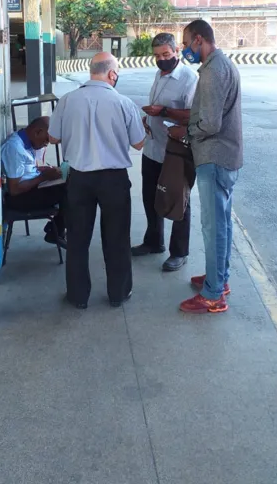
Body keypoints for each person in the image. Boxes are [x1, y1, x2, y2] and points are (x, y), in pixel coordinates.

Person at [48, 52, 145, 309]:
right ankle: (119, 293)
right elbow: (138, 142)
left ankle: (78, 296)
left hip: (79, 178)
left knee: (78, 238)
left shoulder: (67, 101)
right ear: (112, 74)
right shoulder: (124, 103)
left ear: (91, 70)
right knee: (117, 237)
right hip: (114, 180)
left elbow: (53, 138)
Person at [168, 20, 243, 314]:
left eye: (186, 44)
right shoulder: (222, 65)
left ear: (199, 40)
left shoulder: (213, 71)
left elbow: (210, 124)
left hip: (214, 157)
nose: (185, 49)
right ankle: (218, 280)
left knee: (213, 228)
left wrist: (183, 134)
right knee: (221, 224)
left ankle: (213, 295)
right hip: (225, 156)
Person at [131, 32, 198, 271]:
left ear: (177, 52)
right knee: (150, 197)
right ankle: (153, 241)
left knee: (179, 201)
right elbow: (155, 109)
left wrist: (162, 112)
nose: (161, 59)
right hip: (152, 148)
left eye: (166, 54)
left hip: (176, 153)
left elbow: (194, 115)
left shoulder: (189, 79)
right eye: (157, 56)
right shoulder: (159, 75)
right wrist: (147, 118)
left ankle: (179, 252)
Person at [1, 117, 66, 247]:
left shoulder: (27, 143)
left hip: (33, 187)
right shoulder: (14, 148)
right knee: (71, 190)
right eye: (46, 140)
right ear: (37, 132)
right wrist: (44, 177)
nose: (46, 144)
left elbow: (25, 171)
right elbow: (14, 190)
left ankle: (56, 229)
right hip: (20, 198)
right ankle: (55, 231)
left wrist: (44, 172)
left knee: (71, 184)